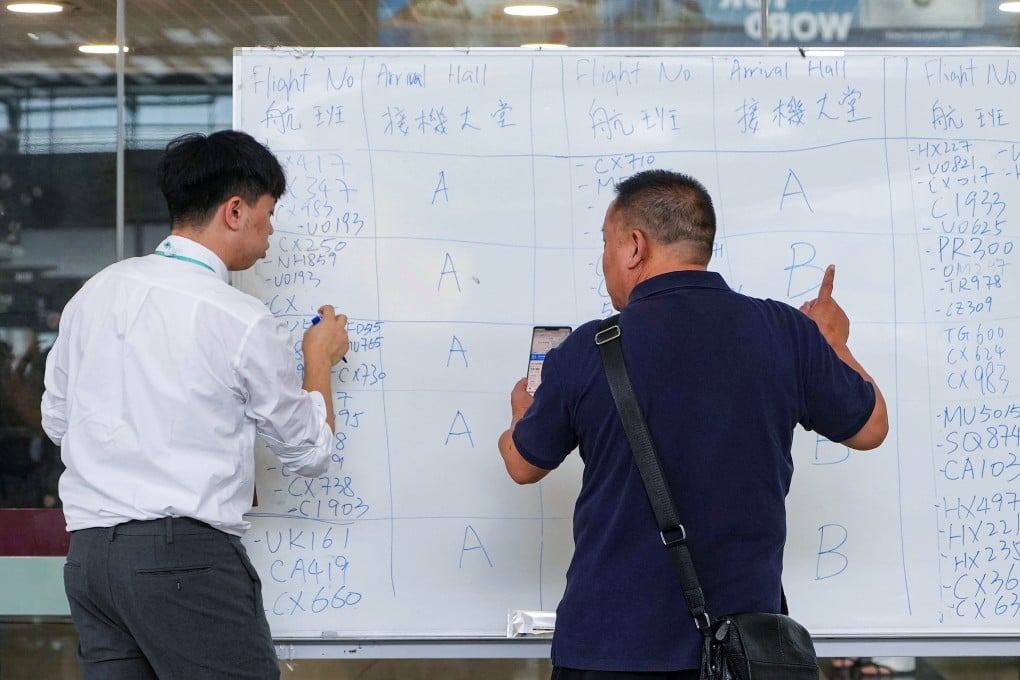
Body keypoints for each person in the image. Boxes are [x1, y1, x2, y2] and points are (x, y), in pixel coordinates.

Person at [498, 169, 888, 680]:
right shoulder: (786, 333)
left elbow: (522, 464)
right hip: (737, 655)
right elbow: (871, 428)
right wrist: (832, 340)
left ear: (635, 246)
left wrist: (522, 411)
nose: (605, 261)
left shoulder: (587, 350)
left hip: (607, 649)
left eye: (606, 244)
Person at [40, 130, 350, 680]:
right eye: (268, 213)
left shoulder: (96, 293)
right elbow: (309, 452)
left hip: (90, 558)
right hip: (181, 558)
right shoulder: (237, 316)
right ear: (235, 211)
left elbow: (57, 422)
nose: (271, 230)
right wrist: (319, 360)